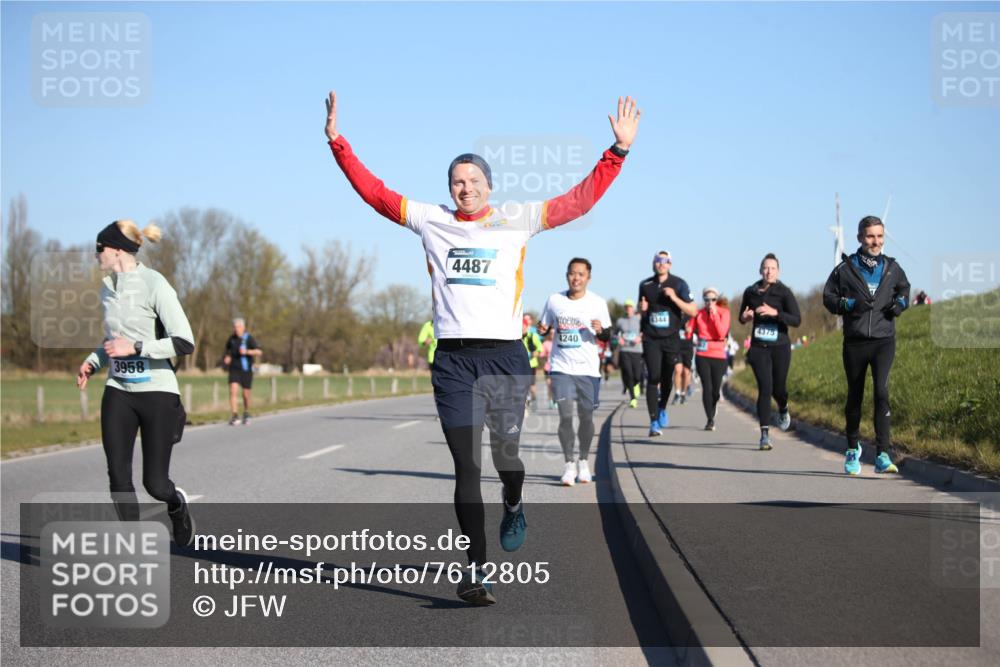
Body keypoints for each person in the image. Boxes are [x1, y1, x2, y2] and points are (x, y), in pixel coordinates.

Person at [325, 90, 639, 605]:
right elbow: (375, 193)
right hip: (453, 361)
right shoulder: (431, 219)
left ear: (489, 186)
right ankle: (476, 568)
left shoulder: (517, 218)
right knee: (466, 467)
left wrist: (617, 152)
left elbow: (578, 201)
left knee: (506, 457)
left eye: (473, 180)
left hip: (505, 357)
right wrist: (339, 143)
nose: (464, 187)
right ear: (448, 188)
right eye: (456, 181)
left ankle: (514, 501)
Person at [76, 219, 196, 546]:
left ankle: (176, 504)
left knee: (155, 485)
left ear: (116, 249)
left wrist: (137, 347)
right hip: (119, 391)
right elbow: (113, 340)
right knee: (118, 476)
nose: (95, 254)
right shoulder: (107, 287)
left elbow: (184, 342)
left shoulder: (155, 283)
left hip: (157, 391)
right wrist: (94, 360)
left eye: (99, 248)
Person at [823, 216, 910, 475]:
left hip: (884, 340)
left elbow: (904, 290)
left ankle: (883, 453)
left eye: (880, 236)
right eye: (871, 236)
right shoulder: (845, 269)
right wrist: (847, 305)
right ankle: (852, 450)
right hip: (855, 342)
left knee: (881, 392)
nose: (876, 242)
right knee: (855, 396)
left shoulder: (893, 268)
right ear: (860, 237)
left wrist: (900, 305)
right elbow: (828, 297)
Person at [538, 258, 612, 486]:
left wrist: (601, 331)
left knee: (586, 417)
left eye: (581, 274)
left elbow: (607, 335)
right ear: (567, 275)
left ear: (588, 277)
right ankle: (569, 464)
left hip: (588, 370)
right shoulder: (554, 300)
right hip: (561, 368)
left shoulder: (598, 303)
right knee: (566, 415)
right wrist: (542, 330)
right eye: (572, 273)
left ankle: (584, 461)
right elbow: (545, 327)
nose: (576, 278)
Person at [739, 253, 801, 450]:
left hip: (780, 347)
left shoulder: (784, 292)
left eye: (772, 268)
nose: (769, 271)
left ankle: (783, 407)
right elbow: (742, 316)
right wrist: (745, 316)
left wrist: (776, 313)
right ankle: (764, 434)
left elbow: (796, 320)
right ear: (760, 270)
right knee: (765, 388)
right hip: (758, 348)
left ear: (778, 271)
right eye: (765, 268)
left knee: (778, 388)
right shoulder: (751, 291)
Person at [638, 251, 697, 436]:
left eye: (665, 261)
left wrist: (674, 297)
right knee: (653, 377)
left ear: (670, 264)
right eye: (658, 261)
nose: (661, 264)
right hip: (651, 338)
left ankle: (662, 406)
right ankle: (653, 421)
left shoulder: (679, 283)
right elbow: (643, 311)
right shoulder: (645, 285)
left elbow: (693, 310)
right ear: (653, 263)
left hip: (671, 339)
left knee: (667, 378)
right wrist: (642, 310)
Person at [691, 288, 731, 431]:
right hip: (702, 354)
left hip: (718, 355)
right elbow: (691, 329)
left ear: (717, 300)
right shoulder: (699, 314)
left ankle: (713, 406)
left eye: (713, 299)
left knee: (715, 390)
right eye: (707, 299)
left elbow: (721, 333)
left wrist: (714, 315)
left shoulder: (724, 313)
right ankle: (710, 419)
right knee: (706, 387)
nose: (709, 302)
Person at [223, 318, 262, 425]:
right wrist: (227, 358)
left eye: (238, 327)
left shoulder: (248, 338)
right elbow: (227, 352)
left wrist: (247, 351)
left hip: (246, 370)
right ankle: (235, 415)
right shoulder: (231, 339)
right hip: (234, 369)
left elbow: (259, 352)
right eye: (235, 327)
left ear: (243, 327)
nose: (236, 329)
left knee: (246, 394)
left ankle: (246, 412)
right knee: (233, 390)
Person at [615, 298, 644, 409]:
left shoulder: (638, 319)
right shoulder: (620, 321)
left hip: (637, 350)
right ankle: (633, 399)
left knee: (637, 374)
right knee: (628, 374)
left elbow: (645, 330)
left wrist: (640, 338)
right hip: (624, 350)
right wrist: (618, 339)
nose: (628, 309)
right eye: (626, 307)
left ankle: (637, 384)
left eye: (630, 307)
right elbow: (615, 333)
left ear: (633, 308)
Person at [521, 315, 543, 410]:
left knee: (532, 385)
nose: (521, 328)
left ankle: (533, 399)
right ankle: (524, 400)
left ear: (526, 326)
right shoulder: (516, 337)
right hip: (520, 365)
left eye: (523, 326)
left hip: (531, 364)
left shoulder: (533, 336)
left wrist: (534, 353)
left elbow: (539, 349)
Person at [672, 316, 695, 404]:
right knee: (678, 370)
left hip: (688, 348)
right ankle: (677, 393)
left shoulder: (690, 317)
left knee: (686, 372)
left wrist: (691, 328)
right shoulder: (675, 316)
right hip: (677, 348)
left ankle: (683, 393)